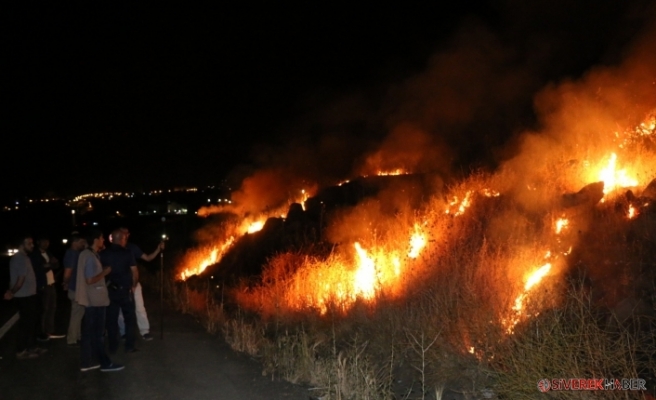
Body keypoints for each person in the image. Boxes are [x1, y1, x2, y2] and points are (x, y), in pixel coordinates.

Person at [75, 229, 123, 372]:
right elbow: (90, 280)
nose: (103, 241)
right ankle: (104, 363)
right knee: (97, 334)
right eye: (102, 238)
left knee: (89, 333)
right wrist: (104, 272)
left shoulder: (88, 254)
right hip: (94, 300)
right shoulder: (90, 256)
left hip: (92, 299)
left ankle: (87, 362)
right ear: (96, 240)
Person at [3, 235, 46, 359]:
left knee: (31, 322)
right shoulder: (20, 258)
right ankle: (21, 350)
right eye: (29, 243)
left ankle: (32, 347)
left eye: (32, 243)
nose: (32, 245)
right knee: (26, 324)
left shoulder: (25, 258)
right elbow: (20, 280)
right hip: (24, 296)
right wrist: (11, 292)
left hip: (30, 294)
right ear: (21, 245)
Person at [118, 227, 164, 341]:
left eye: (126, 233)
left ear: (128, 234)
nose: (124, 235)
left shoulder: (132, 247)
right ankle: (123, 332)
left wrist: (158, 250)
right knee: (121, 310)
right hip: (120, 284)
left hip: (134, 283)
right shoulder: (114, 249)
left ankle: (145, 331)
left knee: (139, 308)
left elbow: (148, 258)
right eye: (121, 233)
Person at [100, 229, 138, 353]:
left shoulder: (103, 253)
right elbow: (134, 271)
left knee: (111, 320)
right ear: (122, 239)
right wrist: (134, 285)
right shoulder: (127, 253)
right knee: (130, 319)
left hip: (110, 291)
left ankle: (112, 346)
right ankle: (129, 346)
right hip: (125, 291)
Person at [29, 236, 64, 341]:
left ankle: (50, 330)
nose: (46, 243)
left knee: (52, 308)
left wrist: (50, 264)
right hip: (42, 285)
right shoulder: (35, 254)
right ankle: (41, 332)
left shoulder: (48, 252)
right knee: (44, 309)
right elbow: (38, 269)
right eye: (43, 241)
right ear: (38, 242)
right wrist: (50, 264)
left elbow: (56, 265)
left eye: (47, 241)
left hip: (51, 283)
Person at [62, 233, 86, 346]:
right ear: (75, 242)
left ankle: (77, 335)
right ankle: (72, 338)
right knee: (76, 313)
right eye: (81, 242)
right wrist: (65, 283)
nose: (83, 244)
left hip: (76, 288)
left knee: (79, 312)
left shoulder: (76, 253)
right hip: (75, 288)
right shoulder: (72, 254)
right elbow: (68, 271)